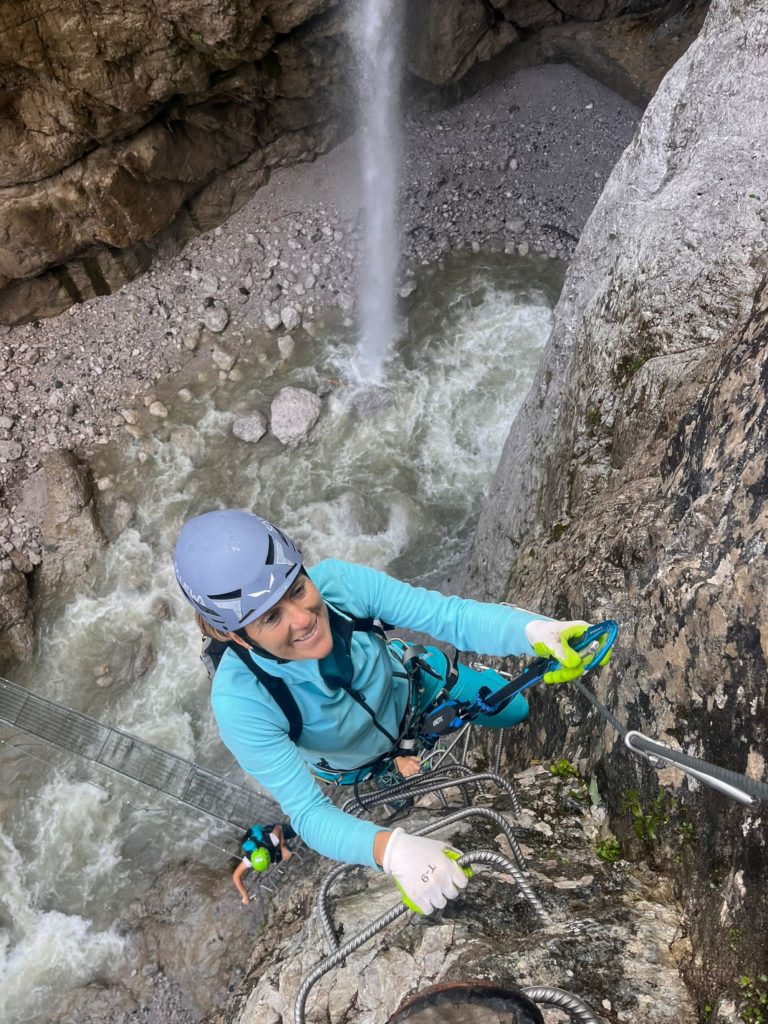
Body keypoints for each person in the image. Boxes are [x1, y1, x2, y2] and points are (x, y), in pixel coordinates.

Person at [174, 510, 595, 916]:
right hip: (364, 766)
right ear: (235, 636)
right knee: (409, 795)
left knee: (516, 710)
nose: (304, 620)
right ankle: (402, 766)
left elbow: (451, 617)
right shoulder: (241, 702)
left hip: (419, 689)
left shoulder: (341, 585)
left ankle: (474, 684)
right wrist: (391, 851)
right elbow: (308, 812)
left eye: (298, 589)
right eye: (271, 616)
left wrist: (532, 631)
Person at [231, 823, 296, 904]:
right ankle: (283, 851)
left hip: (271, 831)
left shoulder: (271, 840)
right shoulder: (250, 858)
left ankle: (285, 846)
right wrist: (245, 895)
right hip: (259, 844)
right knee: (279, 858)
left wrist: (283, 848)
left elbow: (279, 827)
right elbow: (236, 876)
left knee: (294, 831)